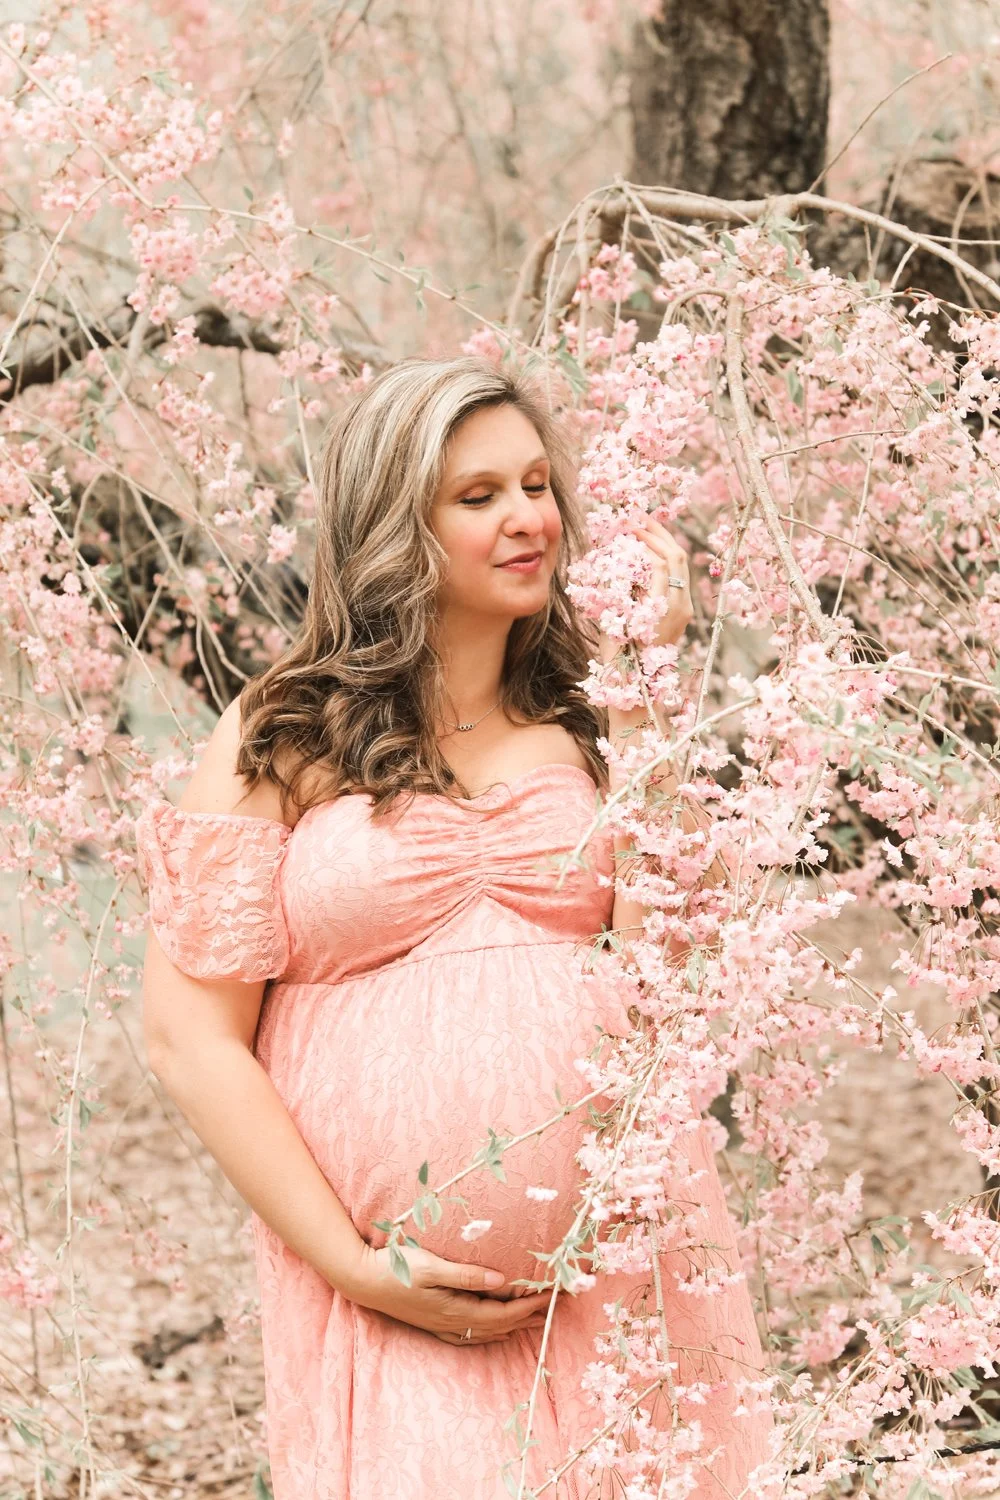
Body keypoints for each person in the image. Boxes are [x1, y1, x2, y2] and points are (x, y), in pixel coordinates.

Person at [135, 356, 773, 1499]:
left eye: (536, 485)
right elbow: (190, 1036)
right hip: (389, 1290)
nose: (529, 518)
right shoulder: (283, 729)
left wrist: (642, 686)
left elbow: (668, 972)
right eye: (478, 496)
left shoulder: (592, 719)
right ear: (397, 527)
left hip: (619, 1262)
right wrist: (352, 1264)